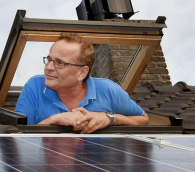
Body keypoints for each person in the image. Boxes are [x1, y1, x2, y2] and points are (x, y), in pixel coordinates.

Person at [15, 33, 149, 133]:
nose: (48, 67)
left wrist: (110, 118)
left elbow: (143, 119)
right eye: (49, 59)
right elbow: (19, 137)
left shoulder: (108, 89)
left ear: (82, 73)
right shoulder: (34, 86)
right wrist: (55, 120)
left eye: (59, 63)